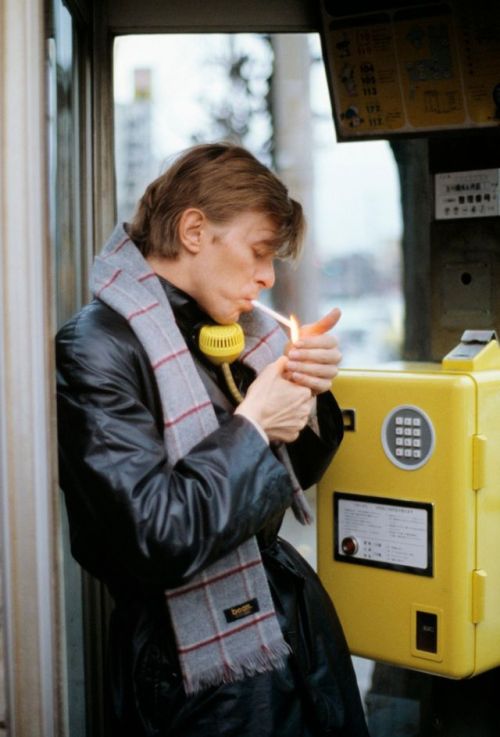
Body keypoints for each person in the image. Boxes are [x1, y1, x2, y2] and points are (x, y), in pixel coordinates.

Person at [56, 142, 369, 737]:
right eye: (258, 252)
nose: (268, 277)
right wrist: (253, 427)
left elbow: (295, 473)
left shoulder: (231, 329)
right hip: (192, 670)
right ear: (195, 230)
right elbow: (156, 536)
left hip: (291, 626)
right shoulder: (96, 347)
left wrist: (311, 392)